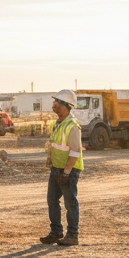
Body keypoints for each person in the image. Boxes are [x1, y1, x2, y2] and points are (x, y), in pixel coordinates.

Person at [40, 89, 83, 246]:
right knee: (52, 200)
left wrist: (66, 173)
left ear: (66, 105)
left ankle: (73, 235)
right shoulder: (58, 124)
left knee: (70, 202)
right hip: (57, 168)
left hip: (69, 170)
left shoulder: (72, 126)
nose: (54, 105)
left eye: (57, 102)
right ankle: (56, 232)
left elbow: (75, 151)